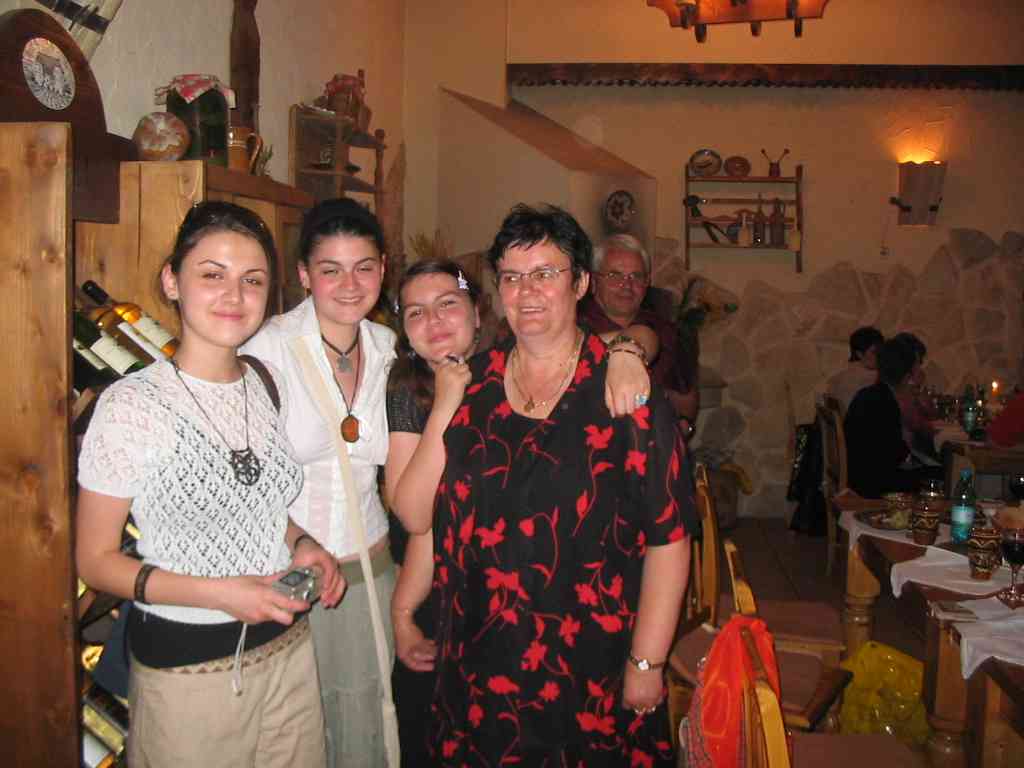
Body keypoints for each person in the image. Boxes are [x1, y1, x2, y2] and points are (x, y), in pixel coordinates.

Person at [409, 204, 696, 766]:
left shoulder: (624, 394)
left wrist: (648, 662)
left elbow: (670, 537)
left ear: (580, 283)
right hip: (478, 660)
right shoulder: (471, 388)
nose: (527, 292)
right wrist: (406, 614)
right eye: (512, 277)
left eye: (545, 273)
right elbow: (432, 518)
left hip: (588, 664)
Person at [75, 201, 344, 767]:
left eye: (252, 280)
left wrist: (303, 544)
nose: (234, 295)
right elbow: (96, 563)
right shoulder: (132, 406)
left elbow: (260, 505)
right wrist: (222, 594)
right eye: (212, 275)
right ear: (172, 281)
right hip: (188, 673)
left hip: (290, 653)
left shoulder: (263, 382)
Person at [241, 198, 397, 767]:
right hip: (289, 569)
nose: (350, 285)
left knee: (366, 719)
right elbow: (243, 481)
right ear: (305, 275)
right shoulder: (267, 349)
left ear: (383, 269)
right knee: (294, 731)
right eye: (331, 269)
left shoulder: (387, 347)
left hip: (372, 567)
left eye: (364, 267)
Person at [580, 233, 700, 437]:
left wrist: (684, 425)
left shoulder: (667, 331)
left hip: (652, 445)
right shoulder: (575, 327)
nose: (626, 285)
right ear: (593, 282)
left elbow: (686, 397)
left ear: (647, 283)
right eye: (615, 275)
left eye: (636, 276)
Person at [845, 338, 942, 498]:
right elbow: (895, 456)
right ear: (907, 375)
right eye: (917, 366)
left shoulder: (869, 394)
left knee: (931, 468)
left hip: (859, 477)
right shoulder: (885, 402)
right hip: (873, 485)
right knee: (940, 474)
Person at [826, 326, 883, 415]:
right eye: (874, 352)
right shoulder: (873, 379)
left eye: (881, 351)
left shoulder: (837, 378)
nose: (880, 355)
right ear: (859, 354)